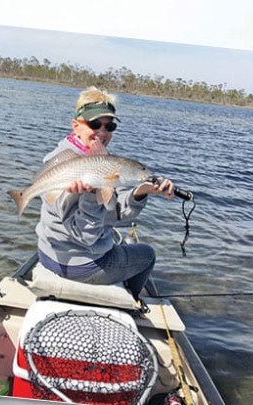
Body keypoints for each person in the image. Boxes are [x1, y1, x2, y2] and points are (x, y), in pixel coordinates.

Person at [35, 87, 174, 302]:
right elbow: (85, 236)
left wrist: (140, 191)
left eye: (109, 126)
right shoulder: (66, 169)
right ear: (76, 126)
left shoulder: (100, 163)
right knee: (147, 254)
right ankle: (135, 302)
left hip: (48, 253)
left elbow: (114, 213)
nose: (102, 131)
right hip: (79, 263)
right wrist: (92, 195)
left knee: (121, 244)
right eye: (94, 124)